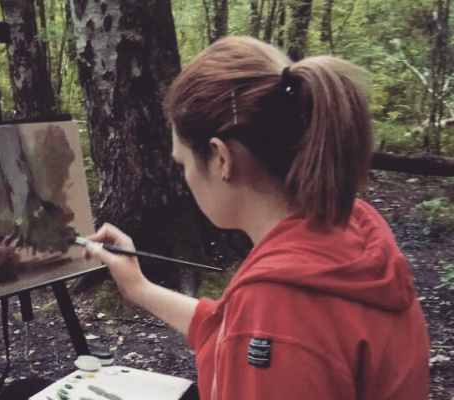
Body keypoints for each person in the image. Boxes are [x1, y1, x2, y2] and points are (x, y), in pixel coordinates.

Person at [83, 36, 430, 400]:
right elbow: (228, 327)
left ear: (221, 159)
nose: (185, 177)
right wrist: (138, 288)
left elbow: (266, 333)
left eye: (182, 163)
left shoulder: (278, 310)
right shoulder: (352, 226)